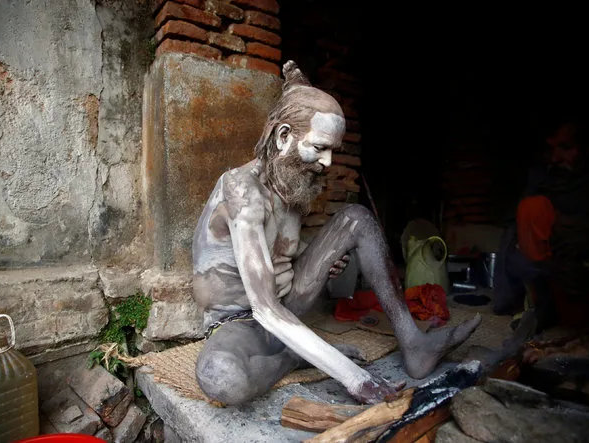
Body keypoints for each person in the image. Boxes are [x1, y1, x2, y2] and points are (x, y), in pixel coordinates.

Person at [192, 60, 482, 406]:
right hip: (242, 323)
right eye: (319, 148)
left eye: (334, 151)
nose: (328, 162)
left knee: (356, 217)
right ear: (283, 137)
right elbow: (264, 308)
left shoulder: (291, 185)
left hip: (289, 304)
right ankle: (291, 358)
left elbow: (278, 254)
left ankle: (414, 344)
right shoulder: (241, 190)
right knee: (221, 377)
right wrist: (353, 377)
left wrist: (314, 259)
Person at [494, 120, 589, 332]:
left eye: (566, 148)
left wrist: (575, 245)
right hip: (553, 270)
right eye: (552, 148)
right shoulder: (544, 177)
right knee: (530, 209)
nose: (555, 158)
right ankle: (542, 308)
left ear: (588, 149)